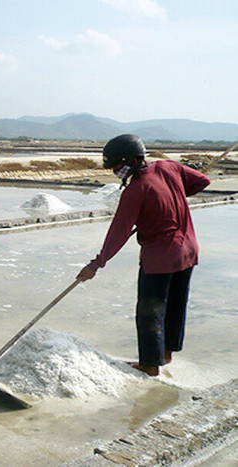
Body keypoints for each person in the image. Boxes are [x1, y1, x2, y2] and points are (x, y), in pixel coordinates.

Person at [76, 134, 211, 376]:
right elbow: (202, 181)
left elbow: (118, 231)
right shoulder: (169, 166)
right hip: (188, 250)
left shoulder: (135, 190)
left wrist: (96, 264)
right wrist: (172, 198)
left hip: (161, 257)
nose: (118, 173)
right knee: (175, 305)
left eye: (118, 168)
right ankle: (166, 355)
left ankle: (150, 365)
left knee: (150, 310)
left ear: (132, 160)